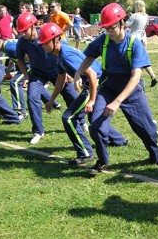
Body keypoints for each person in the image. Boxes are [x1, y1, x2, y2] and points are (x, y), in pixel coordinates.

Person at [76, 3, 158, 175]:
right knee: (96, 126)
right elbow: (89, 56)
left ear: (122, 23)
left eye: (111, 28)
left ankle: (154, 156)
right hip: (108, 87)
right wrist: (78, 73)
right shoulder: (103, 41)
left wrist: (117, 102)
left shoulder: (134, 44)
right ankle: (102, 162)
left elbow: (135, 77)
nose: (108, 32)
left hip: (131, 90)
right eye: (105, 28)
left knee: (146, 128)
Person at [38, 23, 129, 165]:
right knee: (94, 118)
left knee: (68, 118)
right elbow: (61, 78)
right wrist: (51, 99)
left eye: (45, 43)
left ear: (56, 40)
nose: (42, 46)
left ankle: (85, 153)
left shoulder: (66, 55)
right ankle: (119, 140)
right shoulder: (57, 55)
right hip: (93, 84)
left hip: (95, 85)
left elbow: (92, 76)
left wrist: (92, 100)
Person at [15, 12, 78, 144]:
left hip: (57, 71)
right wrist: (26, 76)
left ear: (33, 26)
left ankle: (80, 122)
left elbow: (63, 48)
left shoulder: (46, 33)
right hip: (38, 74)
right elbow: (20, 59)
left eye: (24, 30)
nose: (22, 34)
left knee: (71, 96)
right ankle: (38, 131)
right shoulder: (22, 41)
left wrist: (67, 72)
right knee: (32, 97)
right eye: (20, 31)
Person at [0, 30, 61, 121]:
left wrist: (31, 67)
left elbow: (26, 57)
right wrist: (8, 70)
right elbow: (15, 58)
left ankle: (21, 111)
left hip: (29, 66)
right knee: (35, 85)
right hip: (28, 65)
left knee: (15, 82)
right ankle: (54, 103)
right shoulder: (7, 45)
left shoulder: (9, 47)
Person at [125, 0, 158, 87]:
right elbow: (146, 26)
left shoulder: (134, 16)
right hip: (143, 38)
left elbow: (126, 25)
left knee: (132, 59)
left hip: (134, 39)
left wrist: (128, 17)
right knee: (143, 58)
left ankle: (134, 78)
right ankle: (152, 76)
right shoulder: (146, 16)